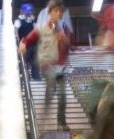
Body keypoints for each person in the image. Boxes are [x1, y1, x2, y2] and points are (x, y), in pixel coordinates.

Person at [19, 0, 72, 131]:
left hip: (61, 66)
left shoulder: (63, 28)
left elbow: (70, 44)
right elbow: (31, 37)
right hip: (48, 65)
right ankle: (43, 119)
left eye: (60, 11)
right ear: (50, 12)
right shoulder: (43, 27)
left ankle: (61, 122)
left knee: (63, 95)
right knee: (52, 88)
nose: (58, 13)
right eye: (55, 11)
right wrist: (23, 43)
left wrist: (65, 40)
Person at [15, 3, 41, 80]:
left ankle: (36, 76)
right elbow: (15, 31)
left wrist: (34, 21)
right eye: (27, 12)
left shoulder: (33, 21)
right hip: (24, 44)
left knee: (35, 61)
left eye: (30, 12)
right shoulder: (18, 21)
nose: (29, 14)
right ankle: (24, 77)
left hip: (34, 44)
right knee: (24, 61)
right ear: (22, 12)